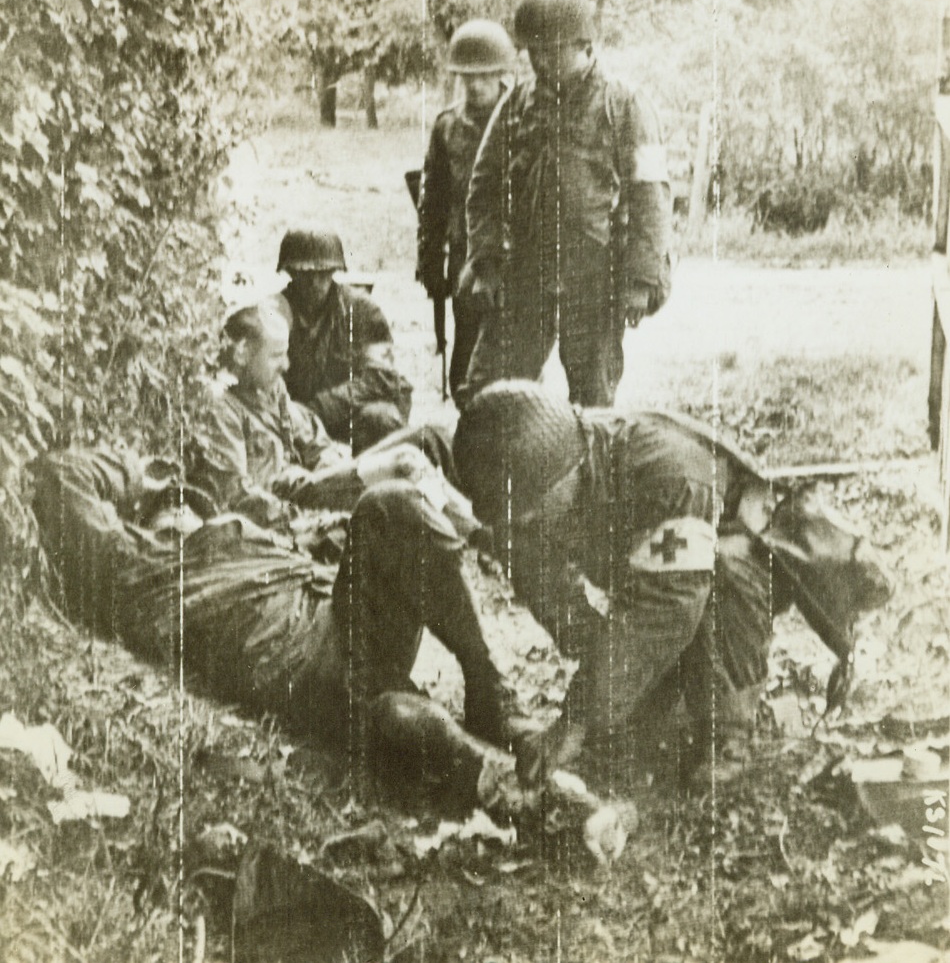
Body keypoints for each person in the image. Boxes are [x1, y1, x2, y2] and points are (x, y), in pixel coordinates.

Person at [30, 305, 628, 857]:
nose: (183, 508)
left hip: (330, 619)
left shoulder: (229, 522)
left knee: (392, 506)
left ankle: (491, 695)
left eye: (185, 502)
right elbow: (58, 475)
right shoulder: (136, 569)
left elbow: (304, 485)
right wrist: (151, 482)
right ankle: (523, 796)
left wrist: (190, 498)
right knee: (394, 710)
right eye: (171, 508)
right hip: (292, 668)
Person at [451, 380, 893, 795]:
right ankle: (662, 687)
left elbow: (670, 605)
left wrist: (575, 720)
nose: (522, 523)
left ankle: (728, 729)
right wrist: (600, 666)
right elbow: (550, 586)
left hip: (738, 563)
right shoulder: (542, 483)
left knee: (720, 572)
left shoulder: (668, 473)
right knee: (629, 710)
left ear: (569, 470)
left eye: (529, 510)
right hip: (653, 576)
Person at [461, 0, 673, 409]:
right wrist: (486, 263)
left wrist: (640, 280)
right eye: (532, 51)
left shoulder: (625, 105)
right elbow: (483, 189)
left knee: (592, 401)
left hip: (595, 275)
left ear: (583, 45)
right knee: (490, 392)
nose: (539, 61)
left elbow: (651, 198)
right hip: (525, 273)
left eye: (550, 50)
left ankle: (590, 476)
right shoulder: (517, 104)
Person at [416, 19, 516, 402]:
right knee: (467, 358)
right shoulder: (447, 128)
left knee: (516, 359)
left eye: (485, 75)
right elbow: (434, 201)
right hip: (466, 255)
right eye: (466, 77)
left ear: (500, 74)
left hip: (514, 257)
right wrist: (429, 264)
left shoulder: (522, 118)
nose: (475, 85)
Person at [276, 229, 413, 453]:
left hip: (350, 413)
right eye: (305, 274)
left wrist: (320, 407)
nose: (314, 283)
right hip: (297, 417)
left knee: (380, 418)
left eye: (323, 273)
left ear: (334, 272)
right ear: (290, 272)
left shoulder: (364, 311)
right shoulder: (274, 314)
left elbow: (381, 379)